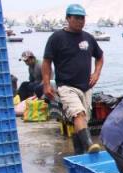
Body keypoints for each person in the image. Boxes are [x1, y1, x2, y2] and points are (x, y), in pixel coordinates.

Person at [42, 4, 104, 155]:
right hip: (66, 86)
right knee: (78, 114)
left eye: (82, 18)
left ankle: (79, 154)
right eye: (76, 18)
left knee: (83, 121)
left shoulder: (88, 38)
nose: (80, 21)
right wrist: (46, 84)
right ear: (67, 18)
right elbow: (46, 62)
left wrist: (96, 73)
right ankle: (90, 145)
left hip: (86, 87)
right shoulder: (56, 38)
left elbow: (100, 57)